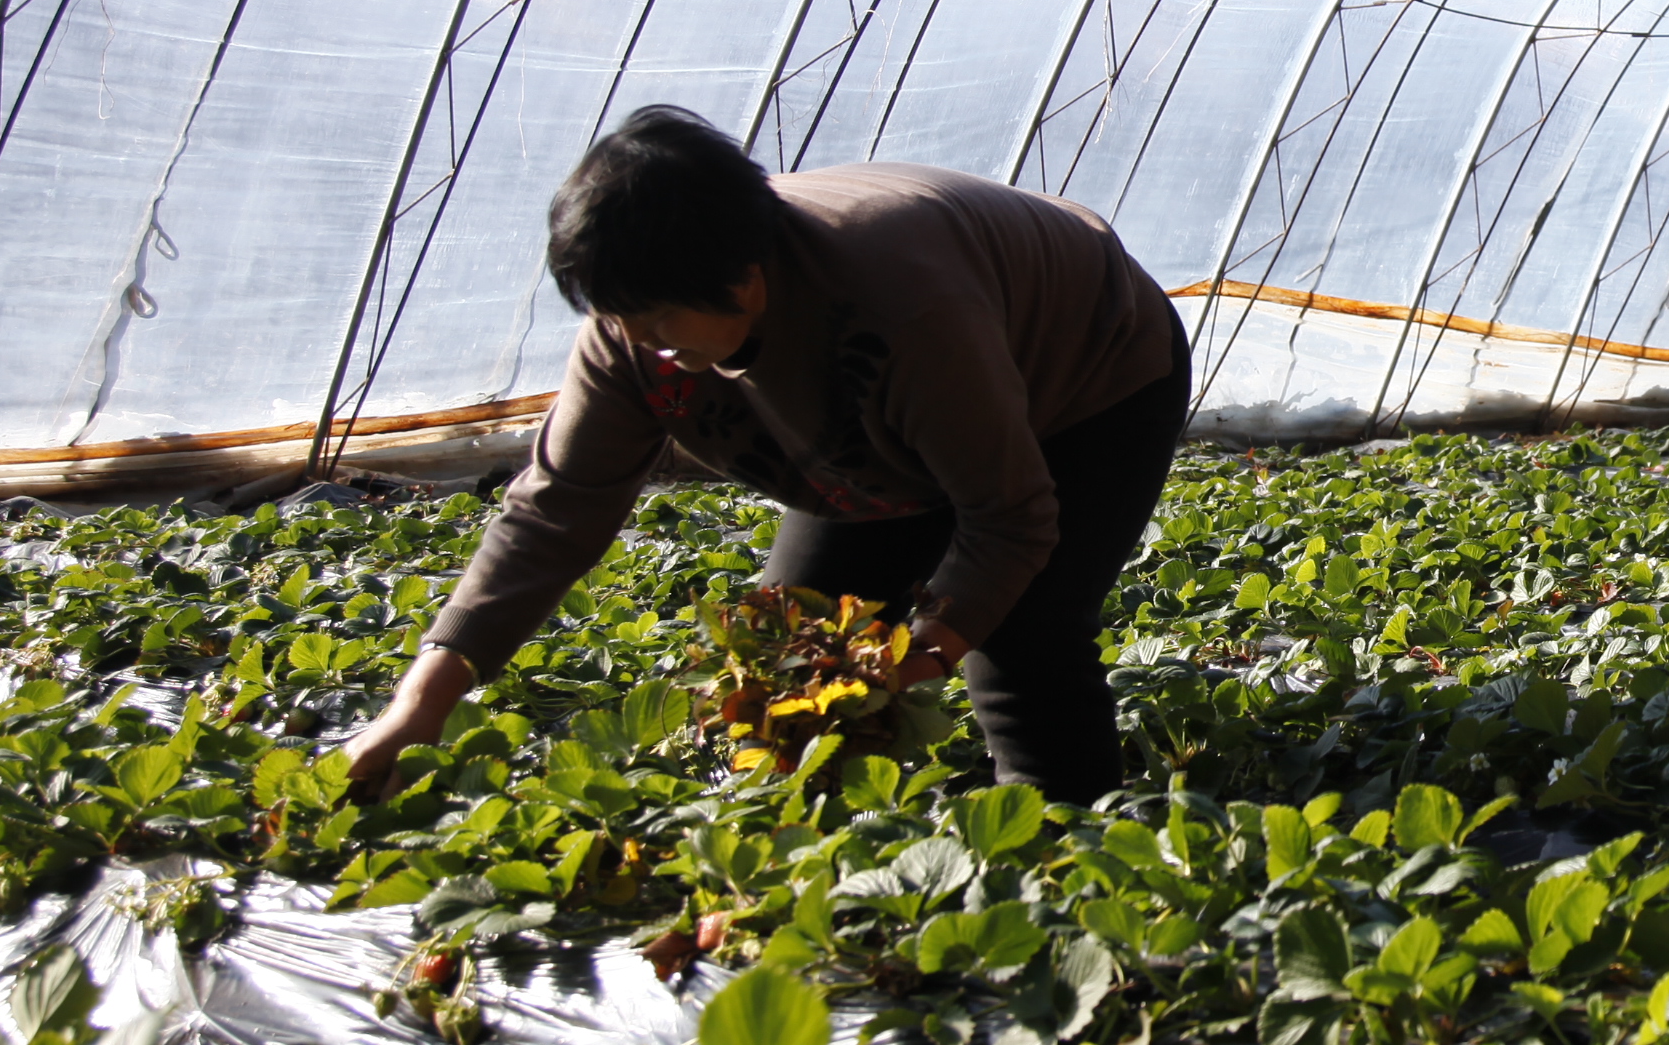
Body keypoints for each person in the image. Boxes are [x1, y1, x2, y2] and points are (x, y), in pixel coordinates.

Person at [334, 108, 1191, 803]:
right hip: (900, 432)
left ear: (745, 279)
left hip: (1090, 376)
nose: (640, 343)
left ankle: (1061, 845)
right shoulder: (634, 333)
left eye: (660, 320)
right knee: (794, 642)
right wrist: (419, 707)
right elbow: (556, 509)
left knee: (1023, 633)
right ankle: (811, 827)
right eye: (619, 317)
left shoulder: (903, 310)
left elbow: (1008, 516)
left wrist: (912, 658)